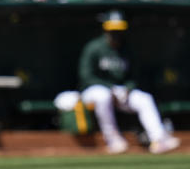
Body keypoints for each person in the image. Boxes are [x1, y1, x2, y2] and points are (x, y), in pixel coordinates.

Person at [78, 11, 181, 154]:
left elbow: (134, 77)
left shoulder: (127, 49)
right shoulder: (94, 48)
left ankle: (159, 139)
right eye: (112, 30)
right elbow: (86, 76)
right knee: (103, 96)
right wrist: (110, 88)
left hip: (120, 91)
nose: (115, 34)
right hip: (94, 91)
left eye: (118, 30)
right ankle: (113, 139)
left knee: (144, 99)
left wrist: (128, 88)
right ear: (106, 30)